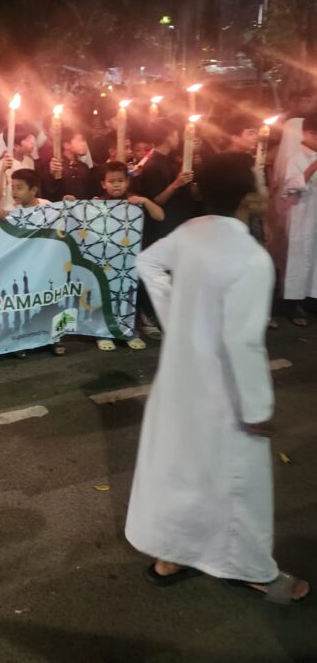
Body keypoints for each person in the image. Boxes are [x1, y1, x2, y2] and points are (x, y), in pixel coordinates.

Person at [125, 152, 309, 604]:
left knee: (181, 468)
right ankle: (252, 570)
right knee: (238, 480)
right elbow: (242, 343)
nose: (268, 188)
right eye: (262, 181)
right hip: (224, 388)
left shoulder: (190, 232)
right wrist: (256, 408)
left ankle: (171, 555)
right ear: (248, 195)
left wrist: (175, 319)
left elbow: (146, 263)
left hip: (179, 378)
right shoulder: (250, 257)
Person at [134, 120, 196, 338]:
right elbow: (156, 200)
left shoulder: (167, 161)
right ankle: (148, 314)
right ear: (170, 135)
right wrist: (176, 184)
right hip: (160, 226)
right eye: (177, 134)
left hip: (173, 223)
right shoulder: (153, 164)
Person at [95, 161, 164, 353]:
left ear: (127, 182)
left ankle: (129, 331)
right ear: (104, 184)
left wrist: (145, 202)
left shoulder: (136, 202)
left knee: (128, 296)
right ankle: (103, 332)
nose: (116, 184)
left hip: (131, 260)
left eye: (120, 180)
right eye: (111, 181)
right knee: (107, 294)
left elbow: (159, 216)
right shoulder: (97, 203)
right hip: (107, 259)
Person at [278, 113, 317, 326]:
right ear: (309, 134)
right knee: (299, 257)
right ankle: (292, 305)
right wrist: (312, 167)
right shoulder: (296, 158)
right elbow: (291, 185)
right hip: (302, 213)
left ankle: (312, 299)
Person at [43, 127, 99, 202]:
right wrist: (51, 175)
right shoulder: (55, 165)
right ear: (66, 145)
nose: (84, 144)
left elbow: (89, 193)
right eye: (80, 140)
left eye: (84, 141)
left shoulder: (84, 167)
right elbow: (48, 192)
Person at [0, 126, 36, 212]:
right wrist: (3, 171)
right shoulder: (2, 164)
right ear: (16, 146)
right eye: (27, 140)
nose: (32, 143)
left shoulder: (29, 161)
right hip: (8, 213)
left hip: (26, 212)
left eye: (31, 139)